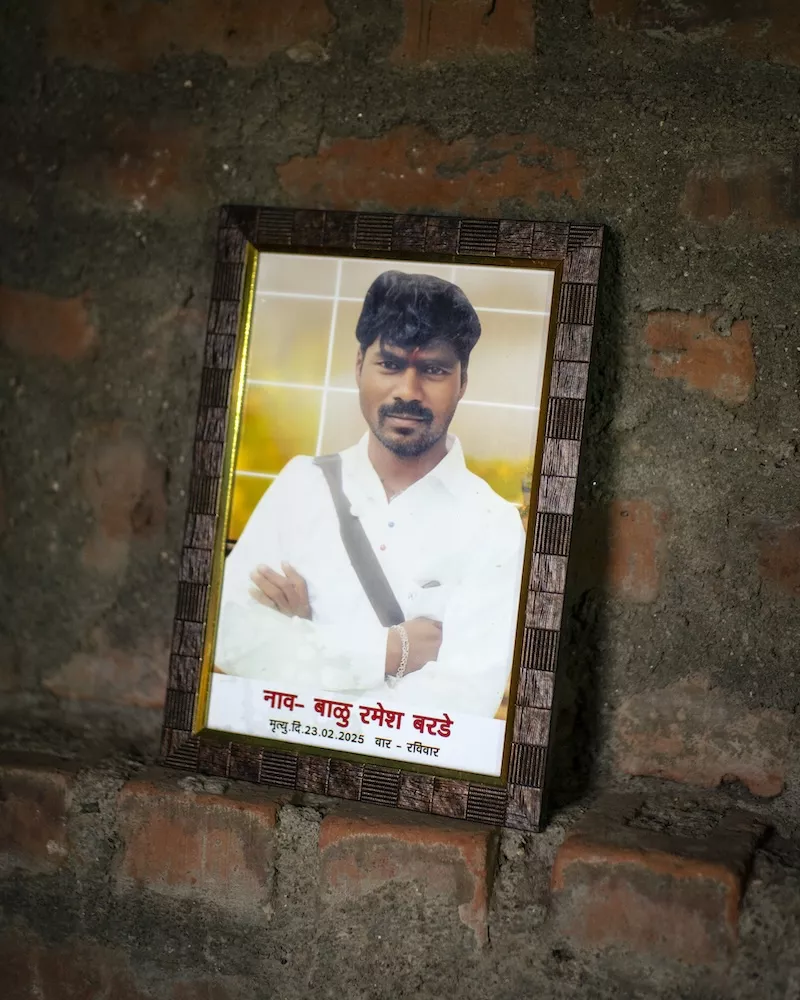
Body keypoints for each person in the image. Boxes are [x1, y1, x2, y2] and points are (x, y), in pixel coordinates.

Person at [213, 270, 526, 718]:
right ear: (360, 366)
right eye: (391, 364)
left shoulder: (493, 524)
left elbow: (461, 703)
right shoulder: (302, 483)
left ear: (463, 383)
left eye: (434, 370)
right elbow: (231, 638)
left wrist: (305, 635)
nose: (408, 391)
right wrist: (392, 651)